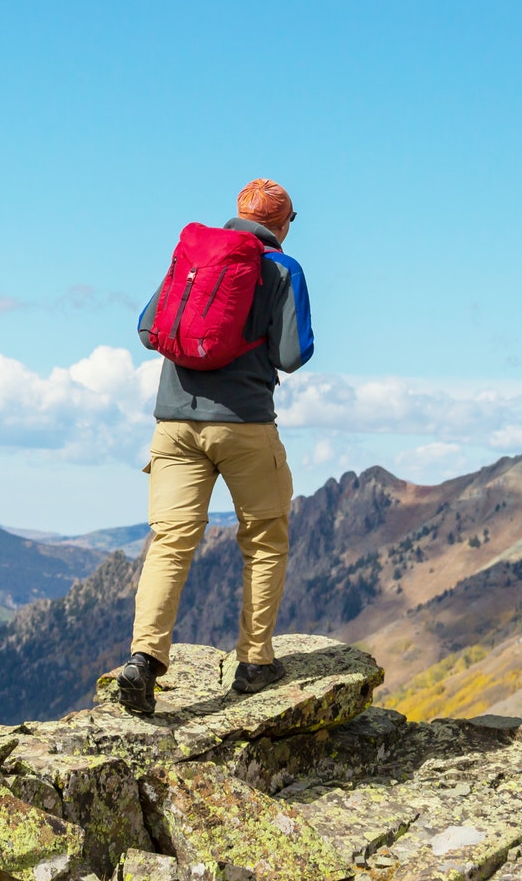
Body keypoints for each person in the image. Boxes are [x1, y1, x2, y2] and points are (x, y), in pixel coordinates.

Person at [114, 179, 315, 714]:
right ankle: (254, 662)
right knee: (265, 538)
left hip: (174, 422)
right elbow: (294, 355)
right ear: (283, 224)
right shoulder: (283, 269)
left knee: (170, 542)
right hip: (245, 423)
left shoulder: (196, 255)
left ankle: (143, 661)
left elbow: (145, 327)